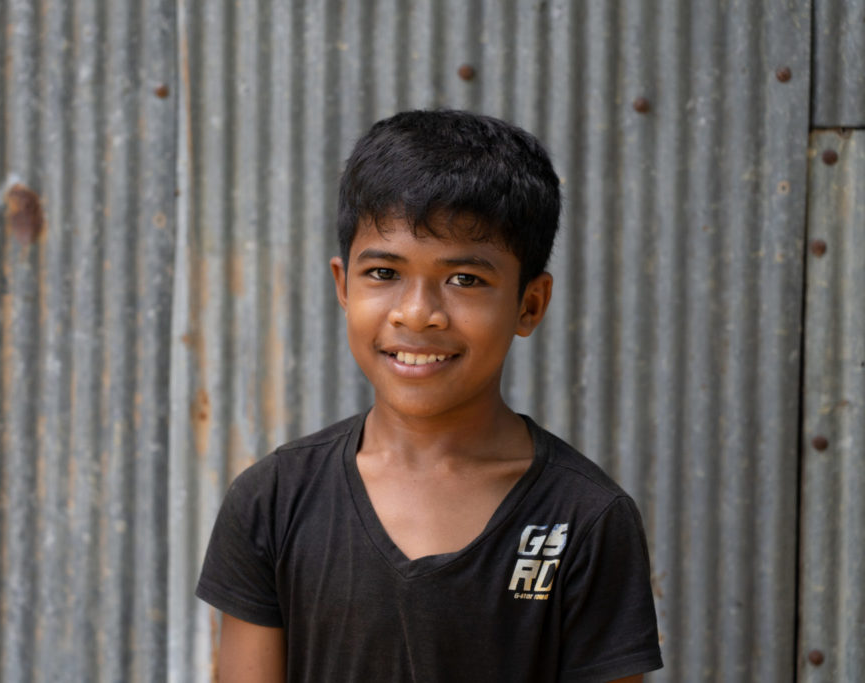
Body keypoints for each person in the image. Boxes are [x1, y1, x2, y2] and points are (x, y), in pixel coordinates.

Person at [196, 110, 663, 682]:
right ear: (343, 285)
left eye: (465, 279)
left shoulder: (584, 518)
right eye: (384, 273)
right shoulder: (273, 502)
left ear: (529, 305)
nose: (417, 312)